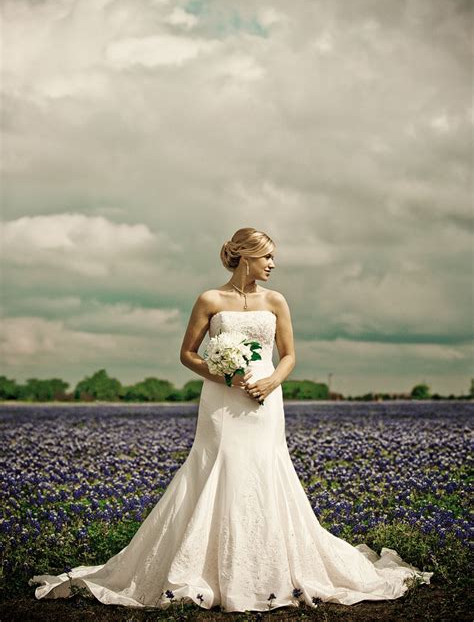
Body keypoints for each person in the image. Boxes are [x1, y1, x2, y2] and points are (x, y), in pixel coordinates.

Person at [29, 227, 433, 613]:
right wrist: (224, 374)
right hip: (222, 399)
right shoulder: (209, 299)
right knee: (218, 465)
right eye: (267, 256)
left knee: (263, 468)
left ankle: (269, 568)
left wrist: (273, 380)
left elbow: (289, 354)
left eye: (274, 256)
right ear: (245, 256)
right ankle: (206, 569)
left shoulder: (276, 301)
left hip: (265, 401)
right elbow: (187, 354)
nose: (273, 263)